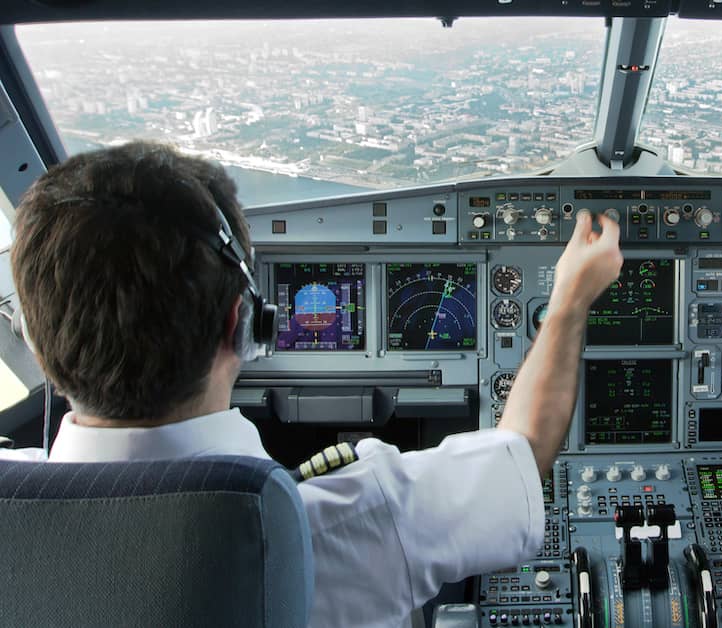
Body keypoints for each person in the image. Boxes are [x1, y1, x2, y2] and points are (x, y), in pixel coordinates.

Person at [3, 141, 624, 627]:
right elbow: (524, 448)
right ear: (240, 323)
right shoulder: (343, 524)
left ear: (35, 336)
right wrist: (569, 300)